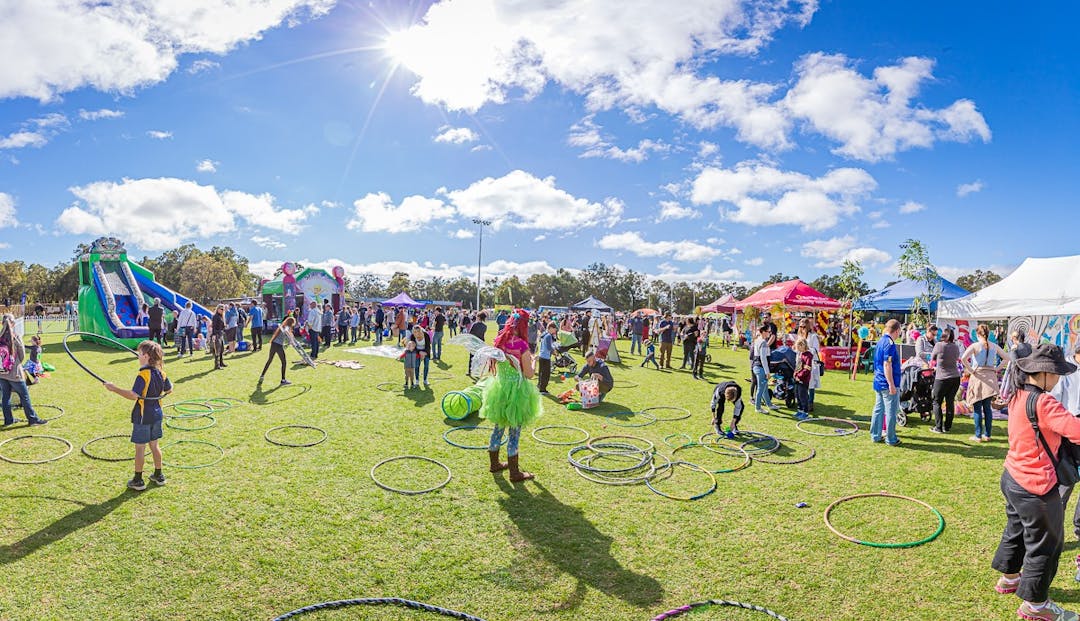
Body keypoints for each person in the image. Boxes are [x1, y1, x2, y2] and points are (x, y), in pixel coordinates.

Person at [991, 344, 1080, 621]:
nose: (1058, 380)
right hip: (1036, 486)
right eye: (1056, 374)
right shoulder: (1045, 403)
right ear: (1044, 374)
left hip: (1013, 477)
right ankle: (1036, 606)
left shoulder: (1019, 395)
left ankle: (1009, 578)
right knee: (1046, 544)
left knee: (1016, 530)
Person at [104, 340, 172, 491]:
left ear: (146, 356)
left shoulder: (143, 375)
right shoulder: (161, 372)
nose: (137, 355)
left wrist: (114, 388)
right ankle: (159, 475)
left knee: (140, 448)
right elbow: (169, 390)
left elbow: (134, 395)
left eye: (139, 353)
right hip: (157, 414)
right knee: (154, 445)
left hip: (143, 416)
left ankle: (138, 480)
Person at [482, 309, 541, 482]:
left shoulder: (500, 341)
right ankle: (514, 473)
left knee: (498, 428)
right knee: (514, 432)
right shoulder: (522, 345)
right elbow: (529, 375)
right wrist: (534, 361)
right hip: (517, 392)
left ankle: (494, 464)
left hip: (500, 389)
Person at [962, 324, 1009, 442]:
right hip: (990, 377)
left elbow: (963, 358)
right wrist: (997, 369)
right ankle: (987, 435)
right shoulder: (994, 346)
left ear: (978, 334)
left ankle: (978, 436)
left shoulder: (975, 346)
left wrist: (971, 370)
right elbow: (1007, 358)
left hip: (978, 377)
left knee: (977, 408)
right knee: (987, 408)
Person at [1, 314, 47, 426]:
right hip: (15, 374)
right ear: (13, 323)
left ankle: (8, 420)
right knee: (24, 396)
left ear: (2, 323)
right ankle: (33, 419)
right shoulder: (16, 337)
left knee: (5, 397)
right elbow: (21, 357)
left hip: (1, 374)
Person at [870, 319, 903, 446]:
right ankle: (891, 438)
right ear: (897, 330)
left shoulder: (880, 341)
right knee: (891, 411)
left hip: (878, 381)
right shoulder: (889, 344)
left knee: (878, 409)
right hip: (886, 382)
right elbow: (887, 364)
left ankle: (875, 435)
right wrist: (891, 384)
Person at [930, 327, 962, 434]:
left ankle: (938, 427)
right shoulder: (955, 347)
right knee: (950, 402)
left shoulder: (939, 345)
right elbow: (957, 358)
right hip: (955, 377)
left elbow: (933, 357)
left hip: (942, 377)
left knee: (937, 401)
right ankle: (947, 426)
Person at [258, 316, 296, 387]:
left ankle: (262, 376)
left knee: (269, 360)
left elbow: (288, 334)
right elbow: (287, 333)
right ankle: (283, 380)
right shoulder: (286, 327)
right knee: (284, 362)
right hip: (278, 345)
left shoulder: (283, 326)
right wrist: (291, 341)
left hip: (274, 344)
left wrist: (291, 339)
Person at [797, 318, 823, 413]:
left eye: (804, 326)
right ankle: (803, 401)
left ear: (808, 327)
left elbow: (816, 350)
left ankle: (810, 403)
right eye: (800, 326)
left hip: (811, 362)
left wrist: (805, 349)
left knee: (811, 384)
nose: (802, 328)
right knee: (802, 383)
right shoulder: (800, 336)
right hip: (801, 362)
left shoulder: (813, 336)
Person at [751, 325, 776, 414]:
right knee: (761, 389)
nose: (770, 333)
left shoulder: (757, 340)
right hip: (761, 368)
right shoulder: (763, 342)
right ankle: (758, 408)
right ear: (763, 332)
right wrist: (767, 372)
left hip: (756, 366)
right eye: (768, 331)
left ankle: (769, 405)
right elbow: (763, 358)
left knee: (764, 388)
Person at [794, 337, 813, 421]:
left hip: (803, 379)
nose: (797, 349)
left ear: (803, 345)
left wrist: (800, 376)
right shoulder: (801, 354)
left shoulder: (808, 355)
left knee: (803, 396)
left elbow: (807, 369)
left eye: (798, 347)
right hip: (797, 378)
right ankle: (800, 410)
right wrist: (795, 374)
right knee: (797, 394)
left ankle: (805, 412)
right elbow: (798, 366)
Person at [537, 321, 557, 394]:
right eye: (554, 329)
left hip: (541, 356)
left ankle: (539, 386)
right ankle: (543, 389)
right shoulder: (548, 336)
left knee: (541, 373)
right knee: (546, 374)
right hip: (545, 357)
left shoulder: (544, 334)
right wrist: (554, 351)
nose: (555, 331)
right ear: (551, 328)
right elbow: (549, 347)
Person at [467, 311, 488, 376]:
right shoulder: (485, 326)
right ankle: (477, 371)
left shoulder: (474, 325)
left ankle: (470, 371)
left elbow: (470, 334)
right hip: (481, 343)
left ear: (479, 317)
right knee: (479, 357)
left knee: (472, 357)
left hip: (474, 342)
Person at [210, 304, 227, 370]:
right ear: (218, 309)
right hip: (216, 334)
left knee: (222, 349)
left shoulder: (221, 316)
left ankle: (221, 362)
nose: (222, 310)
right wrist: (214, 335)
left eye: (223, 309)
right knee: (217, 350)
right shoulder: (215, 316)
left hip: (220, 334)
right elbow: (214, 326)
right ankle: (216, 365)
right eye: (221, 309)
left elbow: (222, 326)